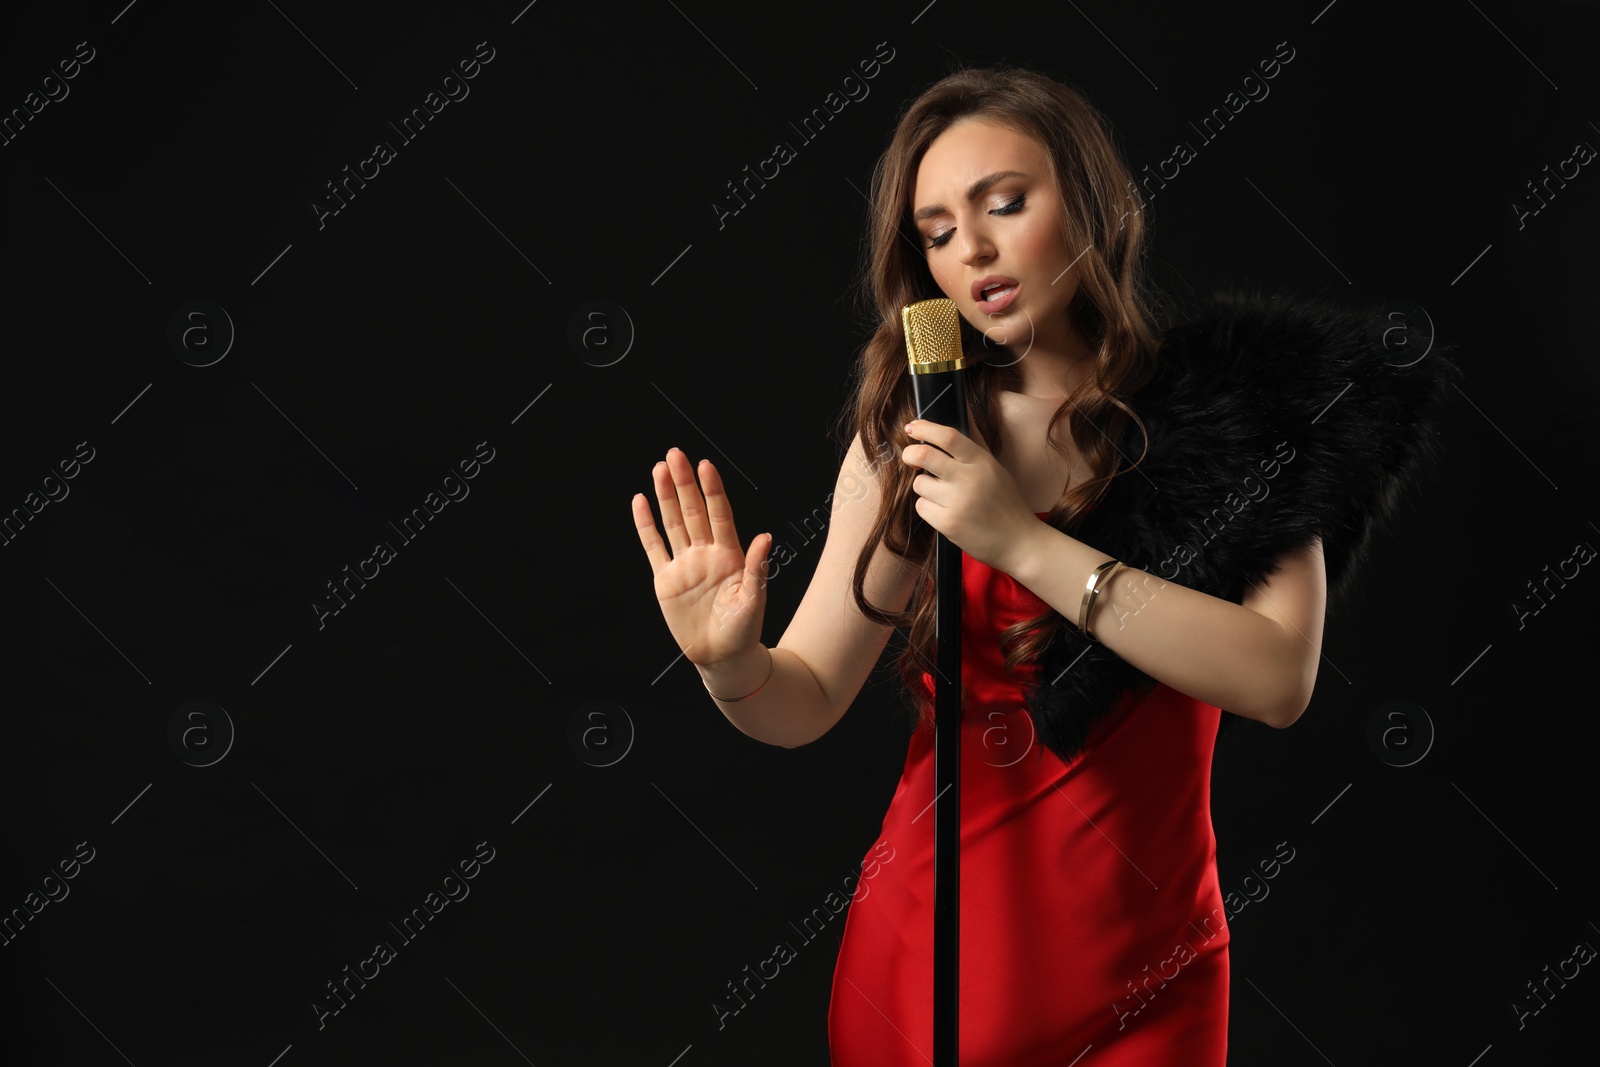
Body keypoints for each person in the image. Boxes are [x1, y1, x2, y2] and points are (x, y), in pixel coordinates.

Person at [631, 65, 1456, 1066]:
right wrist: (730, 664)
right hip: (930, 970)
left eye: (1003, 203)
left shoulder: (1248, 416)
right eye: (934, 231)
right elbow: (800, 697)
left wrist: (1020, 540)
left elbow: (1274, 677)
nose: (970, 249)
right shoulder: (919, 436)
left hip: (1158, 978)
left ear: (1096, 203)